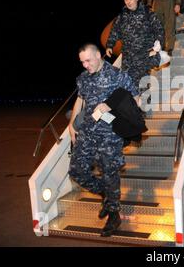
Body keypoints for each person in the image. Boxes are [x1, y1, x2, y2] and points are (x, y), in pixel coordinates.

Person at [68, 43, 139, 237]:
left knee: (110, 173)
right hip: (87, 133)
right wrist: (71, 125)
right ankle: (106, 195)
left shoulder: (118, 75)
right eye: (82, 61)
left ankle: (114, 214)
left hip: (110, 135)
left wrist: (110, 105)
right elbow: (80, 100)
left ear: (99, 55)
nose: (85, 65)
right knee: (76, 170)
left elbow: (137, 100)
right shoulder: (83, 78)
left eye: (88, 60)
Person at [106, 0, 167, 92]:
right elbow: (115, 31)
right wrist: (110, 45)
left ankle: (145, 104)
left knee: (143, 84)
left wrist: (159, 44)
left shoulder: (147, 13)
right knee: (127, 84)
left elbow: (159, 29)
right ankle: (134, 105)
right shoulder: (122, 16)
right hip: (127, 57)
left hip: (143, 55)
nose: (128, 2)